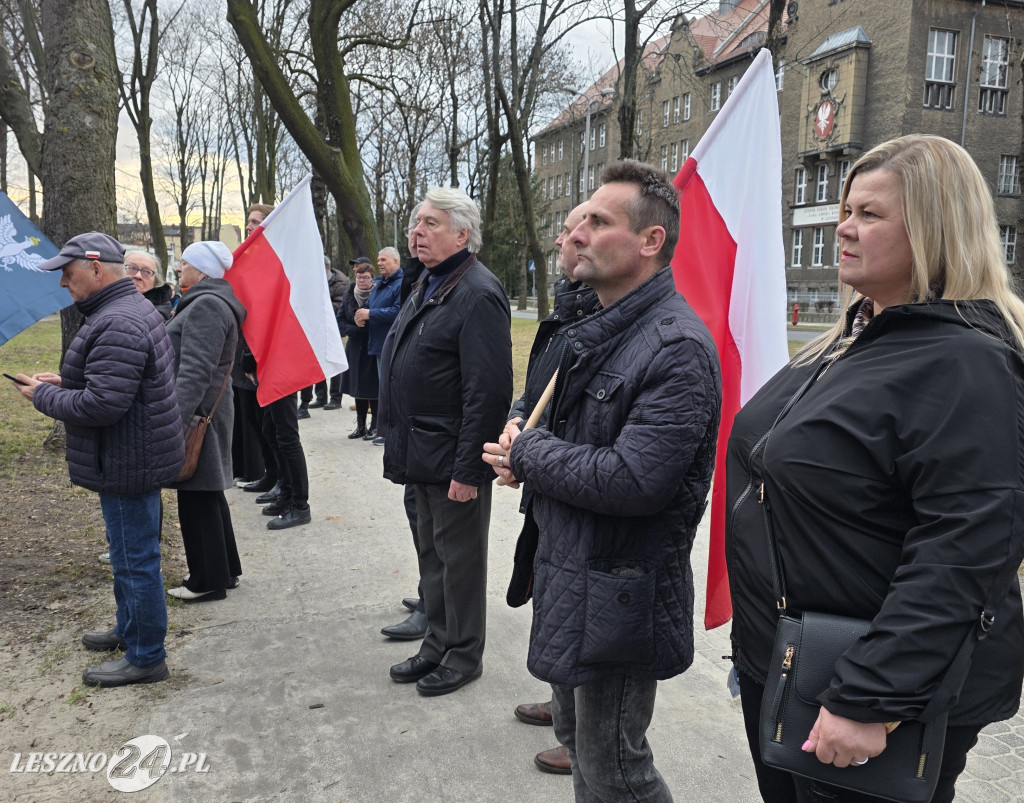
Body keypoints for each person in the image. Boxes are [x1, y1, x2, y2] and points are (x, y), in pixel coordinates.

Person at [726, 135, 1024, 803]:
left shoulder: (964, 361)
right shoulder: (853, 341)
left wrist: (869, 697)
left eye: (869, 213)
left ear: (933, 228)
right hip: (795, 665)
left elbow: (966, 546)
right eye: (844, 210)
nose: (844, 228)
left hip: (865, 688)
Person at [483, 160, 721, 800]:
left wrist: (531, 455)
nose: (576, 233)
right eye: (576, 221)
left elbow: (635, 479)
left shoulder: (674, 346)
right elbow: (570, 439)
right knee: (583, 753)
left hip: (621, 592)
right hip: (572, 575)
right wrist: (522, 445)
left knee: (617, 769)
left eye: (598, 220)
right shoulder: (601, 330)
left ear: (651, 242)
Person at [12, 232, 184, 687]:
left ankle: (147, 656)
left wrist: (45, 396)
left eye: (68, 274)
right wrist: (65, 382)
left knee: (135, 560)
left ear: (95, 267)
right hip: (131, 456)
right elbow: (115, 384)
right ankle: (130, 630)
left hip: (128, 461)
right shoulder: (121, 311)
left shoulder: (118, 320)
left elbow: (104, 406)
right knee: (129, 554)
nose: (64, 284)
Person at [382, 187, 513, 696]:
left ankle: (463, 654)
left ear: (463, 233)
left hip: (450, 458)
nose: (418, 232)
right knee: (431, 558)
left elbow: (487, 392)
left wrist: (469, 471)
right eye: (416, 223)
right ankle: (435, 644)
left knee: (458, 562)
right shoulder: (431, 281)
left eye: (431, 223)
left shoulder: (477, 291)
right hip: (420, 454)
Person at [507, 202, 600, 776]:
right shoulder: (563, 312)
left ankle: (580, 732)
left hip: (567, 481)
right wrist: (517, 422)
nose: (563, 241)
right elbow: (536, 387)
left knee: (575, 604)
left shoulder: (598, 320)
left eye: (572, 233)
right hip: (546, 479)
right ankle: (562, 702)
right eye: (563, 232)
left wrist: (530, 451)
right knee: (550, 593)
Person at [164, 241, 246, 603]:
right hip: (204, 410)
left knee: (196, 493)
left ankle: (207, 580)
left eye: (184, 263)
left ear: (202, 270)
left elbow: (195, 370)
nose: (179, 268)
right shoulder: (208, 300)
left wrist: (174, 421)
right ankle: (223, 570)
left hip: (198, 413)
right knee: (206, 491)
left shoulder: (208, 304)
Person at [235, 204, 277, 493]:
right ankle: (270, 477)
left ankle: (282, 482)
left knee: (272, 426)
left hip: (261, 359)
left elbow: (263, 315)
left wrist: (251, 359)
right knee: (254, 421)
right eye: (248, 221)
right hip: (243, 356)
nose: (248, 227)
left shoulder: (271, 263)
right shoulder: (250, 259)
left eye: (254, 222)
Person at [300, 255, 348, 416]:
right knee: (317, 361)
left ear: (324, 268)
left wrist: (320, 306)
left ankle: (336, 397)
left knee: (333, 361)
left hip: (333, 327)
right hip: (316, 327)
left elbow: (340, 305)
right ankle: (321, 397)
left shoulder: (340, 282)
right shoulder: (314, 280)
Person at [338, 258, 380, 439]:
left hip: (372, 347)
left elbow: (380, 320)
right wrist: (355, 330)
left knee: (373, 388)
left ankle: (375, 426)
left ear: (372, 278)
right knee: (357, 388)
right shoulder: (349, 293)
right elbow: (340, 320)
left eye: (365, 277)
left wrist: (365, 327)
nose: (361, 280)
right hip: (355, 347)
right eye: (358, 277)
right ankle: (360, 425)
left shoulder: (378, 294)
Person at [125, 249, 173, 321]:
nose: (138, 276)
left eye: (147, 272)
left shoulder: (158, 313)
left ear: (156, 281)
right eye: (132, 268)